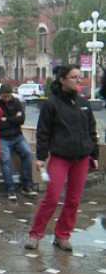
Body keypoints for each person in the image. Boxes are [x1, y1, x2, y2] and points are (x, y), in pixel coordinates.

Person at [24, 65, 99, 252]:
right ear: (62, 80)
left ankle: (63, 235)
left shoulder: (84, 103)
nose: (78, 80)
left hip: (81, 158)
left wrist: (94, 155)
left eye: (79, 77)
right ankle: (35, 234)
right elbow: (43, 132)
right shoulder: (52, 104)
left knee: (73, 200)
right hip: (60, 157)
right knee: (52, 196)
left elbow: (91, 130)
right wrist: (41, 157)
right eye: (74, 77)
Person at [0, 84, 37, 200]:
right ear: (0, 94)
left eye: (8, 96)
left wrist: (7, 119)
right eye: (5, 96)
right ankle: (10, 189)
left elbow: (21, 120)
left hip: (17, 136)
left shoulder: (17, 102)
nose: (7, 99)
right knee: (5, 160)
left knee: (28, 154)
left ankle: (27, 186)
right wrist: (14, 119)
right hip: (3, 137)